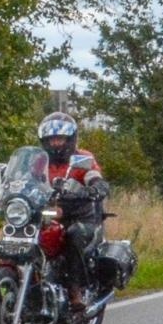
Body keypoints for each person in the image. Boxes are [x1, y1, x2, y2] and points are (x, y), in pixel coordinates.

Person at [36, 111, 111, 311]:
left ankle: (75, 291)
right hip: (46, 217)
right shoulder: (39, 162)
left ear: (70, 139)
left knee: (73, 234)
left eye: (60, 139)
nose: (55, 144)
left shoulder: (81, 159)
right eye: (51, 139)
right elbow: (23, 179)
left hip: (81, 218)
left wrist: (96, 187)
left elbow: (94, 176)